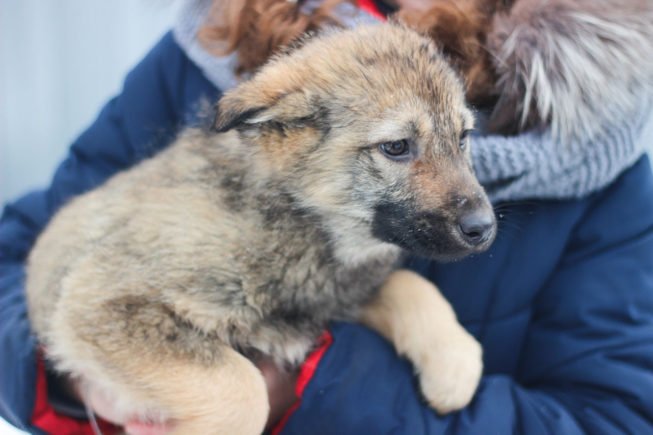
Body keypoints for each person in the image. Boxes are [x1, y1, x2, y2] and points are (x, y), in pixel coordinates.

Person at [1, 0, 653, 433]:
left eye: (458, 139)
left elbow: (613, 417)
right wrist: (86, 380)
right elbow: (25, 262)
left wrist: (310, 384)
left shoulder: (604, 160)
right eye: (398, 147)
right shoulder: (210, 51)